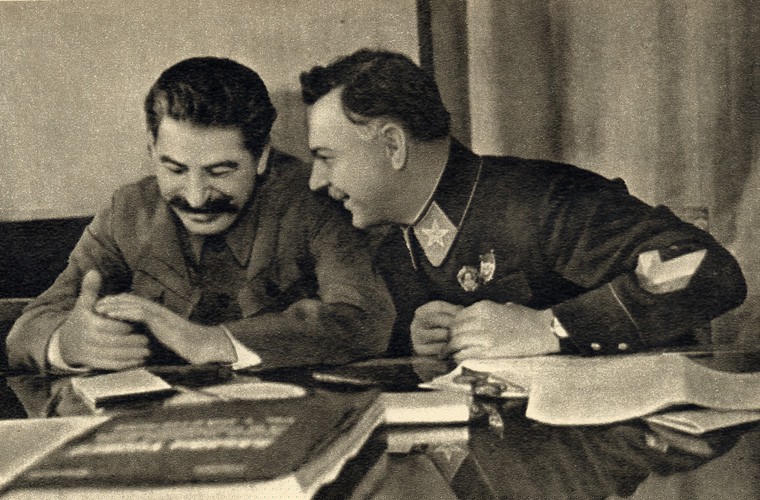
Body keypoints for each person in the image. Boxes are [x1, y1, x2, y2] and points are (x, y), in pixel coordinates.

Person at [299, 49, 746, 361]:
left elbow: (708, 268)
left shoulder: (544, 200)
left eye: (325, 157)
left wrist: (553, 327)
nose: (317, 181)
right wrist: (424, 344)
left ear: (393, 145)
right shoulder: (397, 247)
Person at [7, 56, 394, 372]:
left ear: (261, 156)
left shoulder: (315, 202)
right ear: (151, 150)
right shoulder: (127, 211)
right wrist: (68, 343)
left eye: (220, 171)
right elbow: (30, 327)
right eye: (174, 169)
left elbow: (363, 321)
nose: (195, 198)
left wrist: (212, 342)